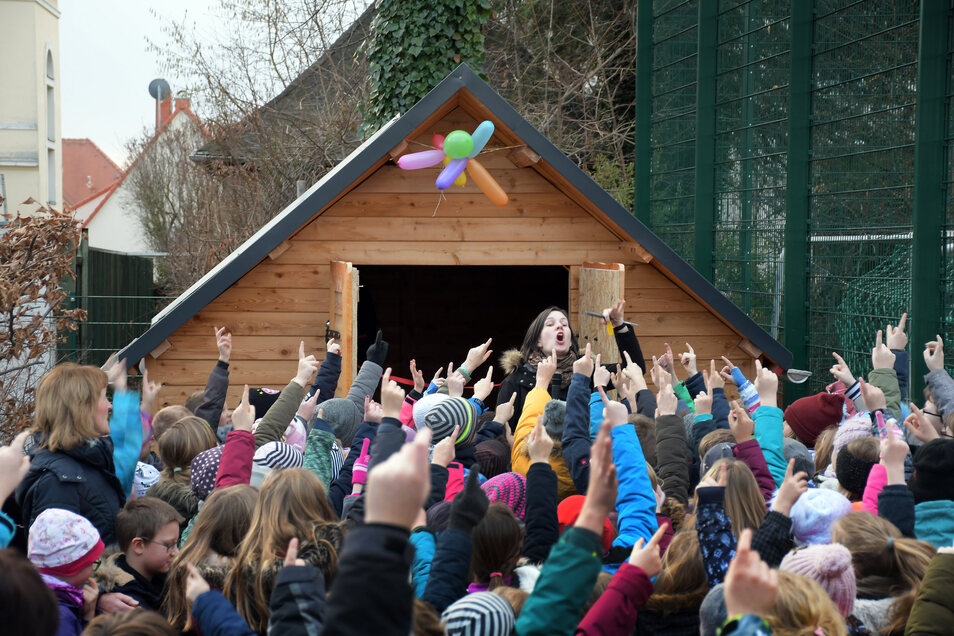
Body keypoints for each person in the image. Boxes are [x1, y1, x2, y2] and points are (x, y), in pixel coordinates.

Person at [17, 359, 141, 546]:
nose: (110, 406)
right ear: (82, 408)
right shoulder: (58, 482)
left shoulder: (90, 461)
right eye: (103, 397)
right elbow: (56, 564)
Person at [497, 300, 644, 432]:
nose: (559, 325)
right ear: (538, 341)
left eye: (564, 324)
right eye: (550, 324)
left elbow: (634, 368)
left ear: (570, 341)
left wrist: (619, 326)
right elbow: (505, 434)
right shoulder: (516, 381)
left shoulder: (587, 371)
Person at [94, 497, 183, 611]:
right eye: (169, 545)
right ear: (139, 545)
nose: (176, 552)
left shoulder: (166, 580)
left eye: (176, 544)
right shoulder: (125, 602)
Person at [28, 509, 105, 636]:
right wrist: (88, 620)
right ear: (73, 567)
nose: (92, 571)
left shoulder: (31, 590)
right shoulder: (61, 618)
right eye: (91, 563)